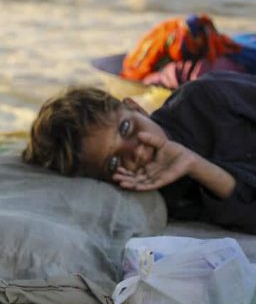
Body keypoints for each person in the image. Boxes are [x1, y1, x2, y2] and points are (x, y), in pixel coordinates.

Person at [24, 72, 256, 234]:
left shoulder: (205, 98)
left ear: (136, 107)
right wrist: (197, 166)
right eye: (113, 162)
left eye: (126, 128)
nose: (134, 151)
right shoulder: (161, 201)